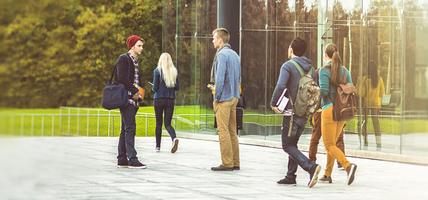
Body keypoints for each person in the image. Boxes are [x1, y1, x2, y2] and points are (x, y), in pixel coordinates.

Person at [270, 37, 321, 188]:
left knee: (287, 145)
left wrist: (273, 103)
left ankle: (311, 167)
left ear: (291, 49)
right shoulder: (311, 68)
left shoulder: (288, 66)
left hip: (291, 113)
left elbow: (280, 86)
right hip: (304, 112)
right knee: (293, 144)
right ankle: (290, 176)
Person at [319, 43, 357, 185]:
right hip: (342, 112)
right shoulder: (345, 71)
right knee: (333, 144)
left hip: (329, 109)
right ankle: (327, 174)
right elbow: (350, 87)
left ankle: (348, 166)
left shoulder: (324, 70)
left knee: (329, 145)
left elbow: (323, 91)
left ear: (326, 55)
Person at [209, 28, 241, 171]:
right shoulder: (235, 55)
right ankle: (235, 162)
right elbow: (238, 77)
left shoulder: (221, 55)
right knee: (232, 131)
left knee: (223, 131)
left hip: (224, 98)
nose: (213, 40)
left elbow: (220, 78)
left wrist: (216, 96)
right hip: (234, 96)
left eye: (214, 38)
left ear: (220, 39)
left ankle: (227, 163)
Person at [308, 66, 346, 176]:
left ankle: (312, 161)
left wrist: (313, 109)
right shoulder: (341, 72)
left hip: (324, 109)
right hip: (337, 109)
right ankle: (331, 170)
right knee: (336, 139)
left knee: (323, 141)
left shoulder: (321, 72)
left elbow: (317, 91)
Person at [115, 35, 146, 169]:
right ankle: (132, 159)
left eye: (142, 46)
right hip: (127, 99)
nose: (141, 48)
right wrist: (135, 91)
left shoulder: (135, 61)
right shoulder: (124, 58)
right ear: (132, 46)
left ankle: (122, 158)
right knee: (130, 128)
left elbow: (135, 79)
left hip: (134, 99)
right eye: (139, 45)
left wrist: (139, 93)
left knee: (125, 128)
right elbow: (121, 78)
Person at [152, 53, 180, 153]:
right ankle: (174, 138)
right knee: (167, 123)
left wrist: (153, 87)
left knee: (158, 123)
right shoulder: (174, 71)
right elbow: (177, 87)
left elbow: (155, 88)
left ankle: (158, 147)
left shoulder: (157, 71)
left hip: (159, 99)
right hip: (170, 100)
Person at [359, 64, 384, 149]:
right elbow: (382, 93)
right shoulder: (379, 79)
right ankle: (379, 143)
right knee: (376, 124)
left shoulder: (366, 79)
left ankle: (365, 142)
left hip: (367, 104)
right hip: (376, 104)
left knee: (365, 123)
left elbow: (362, 93)